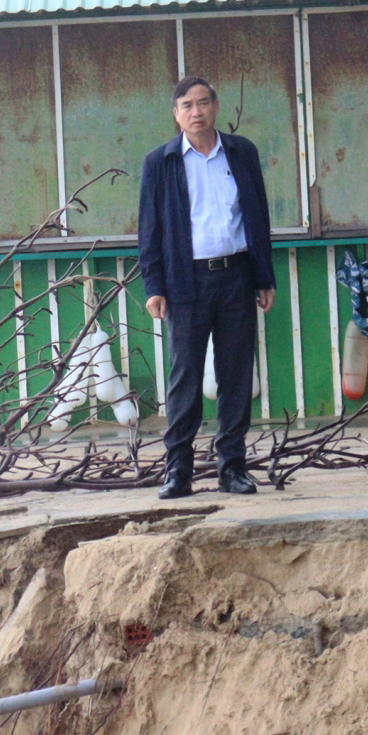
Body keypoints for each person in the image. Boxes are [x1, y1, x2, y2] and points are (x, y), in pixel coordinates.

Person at [137, 76, 277, 498]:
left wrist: (263, 275)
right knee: (186, 375)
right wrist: (153, 286)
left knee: (236, 374)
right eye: (186, 105)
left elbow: (257, 215)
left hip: (236, 276)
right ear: (175, 114)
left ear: (216, 107)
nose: (195, 112)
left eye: (202, 103)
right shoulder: (160, 162)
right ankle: (177, 469)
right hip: (185, 281)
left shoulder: (241, 152)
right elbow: (149, 229)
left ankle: (232, 467)